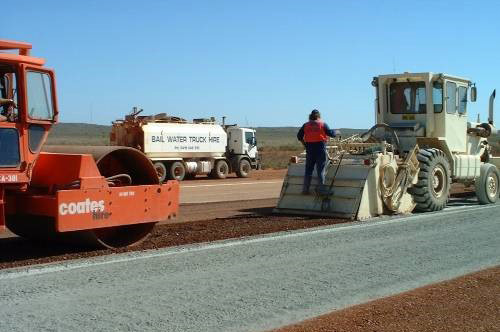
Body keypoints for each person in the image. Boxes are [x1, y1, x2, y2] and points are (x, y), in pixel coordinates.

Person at [297, 109, 337, 194]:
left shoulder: (306, 125)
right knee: (321, 170)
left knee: (308, 170)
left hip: (310, 149)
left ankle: (305, 189)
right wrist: (336, 131)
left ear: (310, 116)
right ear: (319, 116)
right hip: (320, 148)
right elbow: (332, 134)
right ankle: (321, 189)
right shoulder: (322, 124)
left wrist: (305, 145)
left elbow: (299, 136)